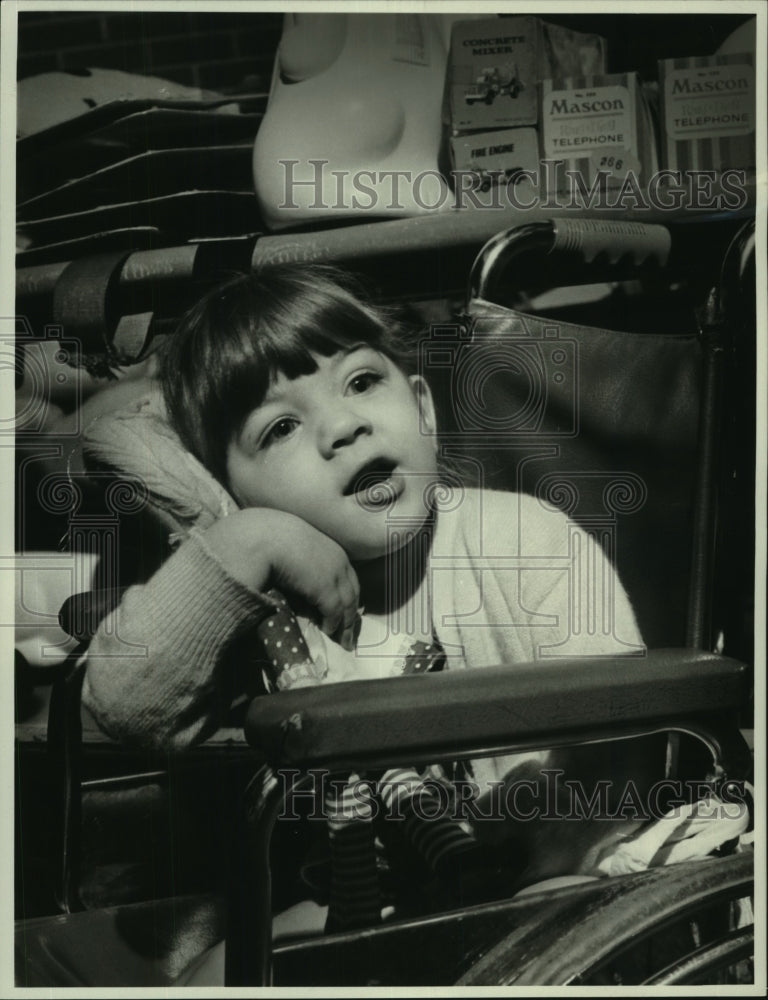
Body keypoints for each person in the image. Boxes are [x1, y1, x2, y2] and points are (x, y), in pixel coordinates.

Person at [80, 264, 646, 925]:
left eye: (361, 381)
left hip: (557, 870)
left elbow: (625, 738)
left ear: (424, 410)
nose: (342, 427)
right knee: (235, 962)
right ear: (232, 494)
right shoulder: (261, 605)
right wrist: (245, 542)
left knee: (549, 918)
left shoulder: (525, 536)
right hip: (362, 899)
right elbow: (126, 706)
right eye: (280, 428)